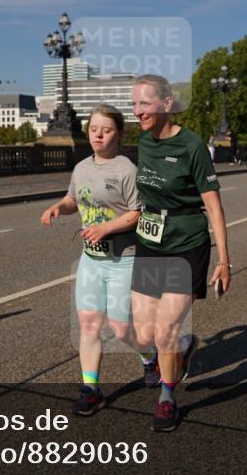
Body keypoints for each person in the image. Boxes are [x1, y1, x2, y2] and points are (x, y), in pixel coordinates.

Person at [130, 74, 231, 432]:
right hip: (149, 243)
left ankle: (167, 398)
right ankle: (184, 348)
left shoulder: (192, 146)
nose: (137, 111)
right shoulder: (142, 143)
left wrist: (224, 260)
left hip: (187, 243)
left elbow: (214, 207)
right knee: (143, 334)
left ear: (166, 104)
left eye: (144, 103)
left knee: (165, 330)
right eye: (134, 104)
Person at [40, 104, 154, 416]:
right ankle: (92, 389)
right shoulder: (81, 168)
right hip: (90, 259)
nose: (98, 136)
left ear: (118, 134)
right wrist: (57, 208)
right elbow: (73, 200)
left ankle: (150, 357)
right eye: (93, 130)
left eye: (105, 130)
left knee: (121, 328)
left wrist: (105, 227)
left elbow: (136, 212)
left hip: (122, 259)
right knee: (88, 325)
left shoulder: (126, 169)